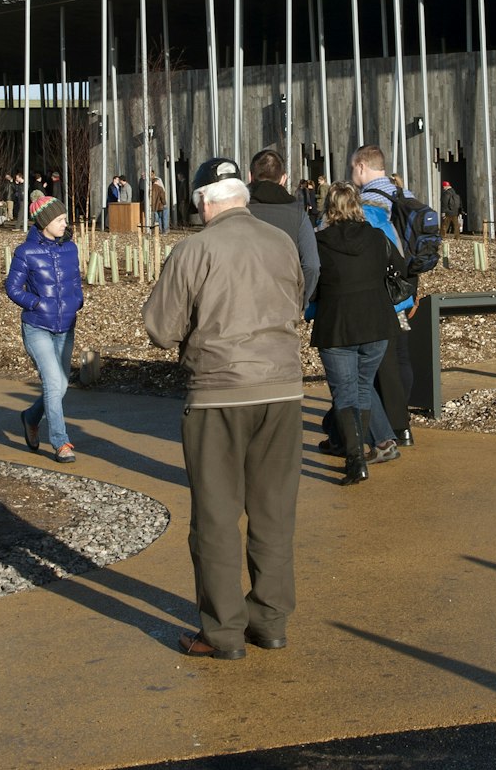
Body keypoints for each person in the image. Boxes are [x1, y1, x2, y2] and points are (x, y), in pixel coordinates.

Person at [142, 165, 305, 661]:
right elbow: (298, 299)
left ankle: (223, 633)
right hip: (283, 389)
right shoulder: (282, 242)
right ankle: (271, 621)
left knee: (216, 516)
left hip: (219, 391)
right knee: (274, 513)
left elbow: (159, 327)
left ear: (206, 204)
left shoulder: (195, 249)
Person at [311, 183, 406, 484]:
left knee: (344, 392)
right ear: (357, 205)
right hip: (377, 323)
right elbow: (400, 268)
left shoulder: (319, 242)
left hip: (337, 325)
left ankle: (355, 461)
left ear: (329, 207)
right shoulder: (377, 237)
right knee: (363, 387)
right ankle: (361, 451)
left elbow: (310, 281)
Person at [4, 194, 85, 463]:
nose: (65, 224)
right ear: (45, 222)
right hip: (37, 327)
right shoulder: (25, 252)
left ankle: (30, 417)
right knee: (53, 383)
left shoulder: (70, 248)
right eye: (60, 220)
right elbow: (12, 288)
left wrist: (77, 301)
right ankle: (61, 443)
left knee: (60, 386)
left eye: (65, 219)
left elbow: (75, 281)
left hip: (66, 326)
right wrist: (36, 303)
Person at [350, 145, 418, 448]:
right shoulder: (404, 195)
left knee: (380, 361)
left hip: (380, 292)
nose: (352, 174)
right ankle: (402, 423)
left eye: (353, 168)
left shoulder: (369, 203)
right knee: (401, 356)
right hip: (404, 286)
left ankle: (388, 426)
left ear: (362, 166)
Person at [244, 149, 320, 306]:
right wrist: (300, 301)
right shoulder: (298, 213)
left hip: (243, 302)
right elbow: (312, 265)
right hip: (284, 303)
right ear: (284, 179)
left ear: (250, 176)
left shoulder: (238, 209)